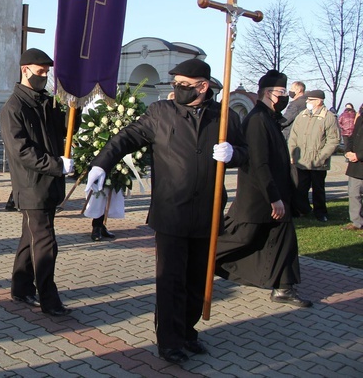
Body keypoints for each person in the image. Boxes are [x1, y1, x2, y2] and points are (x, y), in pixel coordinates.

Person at [85, 58, 248, 365]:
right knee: (170, 280)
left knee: (198, 279)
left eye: (183, 85)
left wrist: (233, 154)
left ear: (202, 86)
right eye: (174, 84)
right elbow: (126, 138)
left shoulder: (223, 117)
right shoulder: (161, 113)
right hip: (172, 211)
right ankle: (169, 341)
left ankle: (188, 331)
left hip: (207, 212)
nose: (175, 89)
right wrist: (101, 163)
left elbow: (246, 152)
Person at [215, 70, 312, 309]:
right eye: (282, 93)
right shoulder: (257, 119)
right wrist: (273, 198)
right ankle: (198, 259)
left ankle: (283, 287)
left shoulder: (269, 117)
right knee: (240, 237)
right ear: (268, 93)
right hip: (258, 197)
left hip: (276, 193)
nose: (285, 97)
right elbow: (259, 162)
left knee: (283, 239)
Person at [1, 48, 74, 317]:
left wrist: (72, 111)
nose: (44, 76)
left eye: (47, 72)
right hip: (32, 185)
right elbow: (21, 152)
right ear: (25, 70)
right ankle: (49, 298)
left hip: (50, 183)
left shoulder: (48, 102)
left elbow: (65, 131)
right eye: (40, 72)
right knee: (45, 242)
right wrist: (57, 165)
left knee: (29, 237)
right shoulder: (14, 107)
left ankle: (21, 287)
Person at [287, 90, 340, 222]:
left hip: (318, 162)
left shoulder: (328, 117)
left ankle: (320, 212)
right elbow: (293, 136)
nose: (307, 102)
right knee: (300, 188)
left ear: (319, 101)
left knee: (318, 189)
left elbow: (333, 140)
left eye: (310, 100)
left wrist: (321, 157)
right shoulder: (302, 115)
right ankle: (303, 210)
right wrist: (292, 153)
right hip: (302, 160)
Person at [343, 112, 363, 231]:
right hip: (355, 165)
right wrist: (348, 151)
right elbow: (352, 136)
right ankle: (357, 222)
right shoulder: (360, 119)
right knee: (354, 193)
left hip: (359, 158)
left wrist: (359, 156)